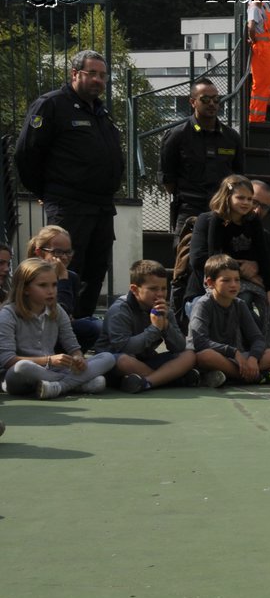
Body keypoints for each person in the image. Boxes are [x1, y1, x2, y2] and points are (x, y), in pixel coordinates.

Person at [14, 50, 124, 320]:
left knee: (94, 273)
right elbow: (26, 154)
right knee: (62, 272)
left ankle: (82, 330)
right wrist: (45, 193)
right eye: (92, 74)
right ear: (75, 74)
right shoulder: (52, 105)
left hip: (101, 208)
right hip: (69, 206)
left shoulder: (101, 112)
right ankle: (56, 333)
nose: (98, 80)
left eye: (103, 75)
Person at [0, 257, 116, 398]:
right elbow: (7, 360)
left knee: (108, 358)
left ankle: (58, 387)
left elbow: (73, 347)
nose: (51, 291)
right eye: (43, 285)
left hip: (56, 371)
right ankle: (74, 384)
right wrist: (49, 360)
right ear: (25, 289)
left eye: (54, 285)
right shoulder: (8, 314)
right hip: (20, 376)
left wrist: (78, 358)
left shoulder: (57, 310)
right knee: (22, 367)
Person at [183, 174, 270, 333]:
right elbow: (200, 260)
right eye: (243, 198)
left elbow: (265, 261)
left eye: (250, 199)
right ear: (228, 197)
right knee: (241, 300)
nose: (250, 205)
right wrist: (241, 270)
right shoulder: (209, 220)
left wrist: (266, 280)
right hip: (202, 294)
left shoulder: (257, 228)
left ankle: (263, 345)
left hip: (240, 295)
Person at [159, 77, 243, 247]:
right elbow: (168, 180)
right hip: (189, 209)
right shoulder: (177, 136)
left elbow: (238, 176)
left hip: (223, 210)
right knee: (186, 261)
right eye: (205, 99)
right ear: (193, 102)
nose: (212, 103)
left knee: (224, 262)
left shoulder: (231, 137)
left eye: (216, 99)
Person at [186, 255, 270, 385]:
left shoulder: (239, 304)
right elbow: (199, 342)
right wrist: (233, 352)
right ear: (210, 283)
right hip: (216, 356)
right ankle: (258, 377)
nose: (233, 285)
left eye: (237, 280)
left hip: (234, 359)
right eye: (226, 280)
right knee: (205, 356)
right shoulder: (203, 304)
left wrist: (253, 357)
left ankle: (230, 377)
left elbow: (257, 338)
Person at [98, 260, 198, 392]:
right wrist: (155, 328)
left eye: (163, 288)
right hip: (118, 363)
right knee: (123, 361)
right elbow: (125, 348)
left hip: (146, 361)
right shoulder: (120, 310)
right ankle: (173, 378)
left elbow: (179, 346)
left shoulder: (164, 310)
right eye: (153, 289)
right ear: (135, 289)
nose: (160, 294)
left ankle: (147, 382)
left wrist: (166, 326)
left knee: (189, 355)